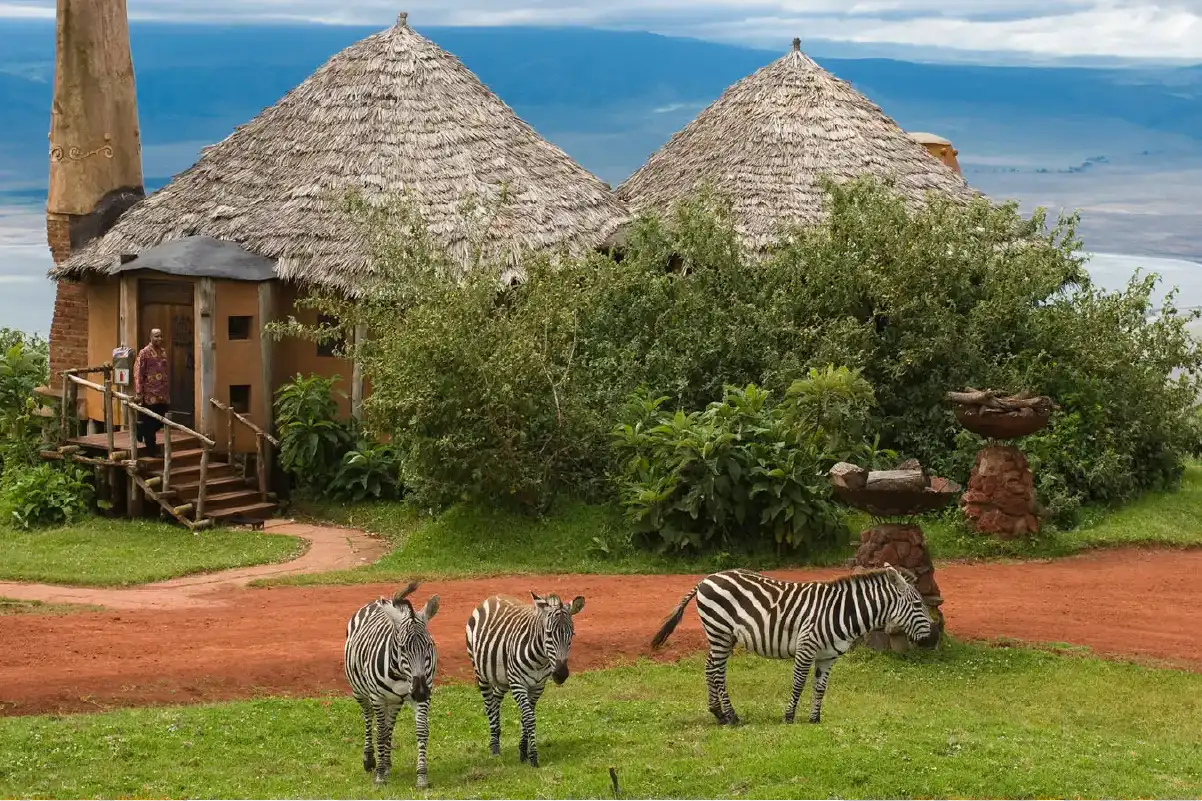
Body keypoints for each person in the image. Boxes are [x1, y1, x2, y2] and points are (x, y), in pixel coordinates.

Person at [133, 328, 170, 457]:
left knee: (160, 420)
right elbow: (138, 373)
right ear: (150, 337)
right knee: (150, 421)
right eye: (156, 336)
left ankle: (141, 428)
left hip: (163, 393)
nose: (159, 339)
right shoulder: (144, 353)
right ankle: (151, 449)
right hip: (150, 393)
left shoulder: (163, 352)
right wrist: (139, 392)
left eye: (160, 336)